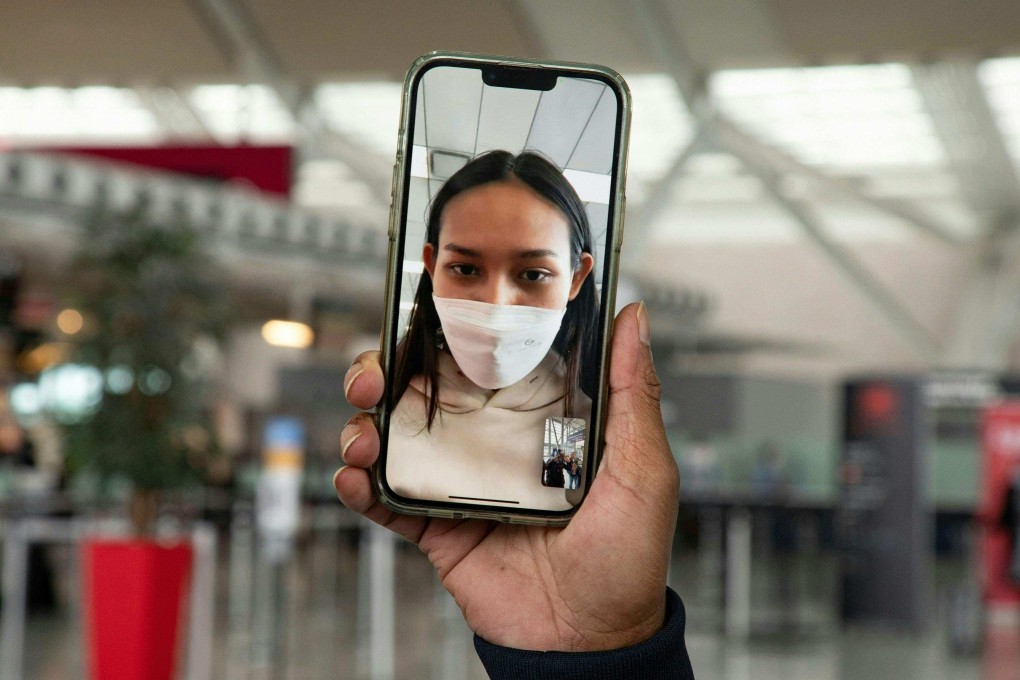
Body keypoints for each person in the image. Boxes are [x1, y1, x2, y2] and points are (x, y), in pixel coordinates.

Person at [335, 303, 695, 678]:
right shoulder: (410, 393)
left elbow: (562, 493)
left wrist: (601, 647)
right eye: (467, 271)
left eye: (532, 276)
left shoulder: (568, 406)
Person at [384, 150, 598, 510]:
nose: (496, 303)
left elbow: (559, 502)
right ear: (432, 266)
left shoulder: (570, 416)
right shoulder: (390, 396)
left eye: (533, 275)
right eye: (466, 269)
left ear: (576, 278)